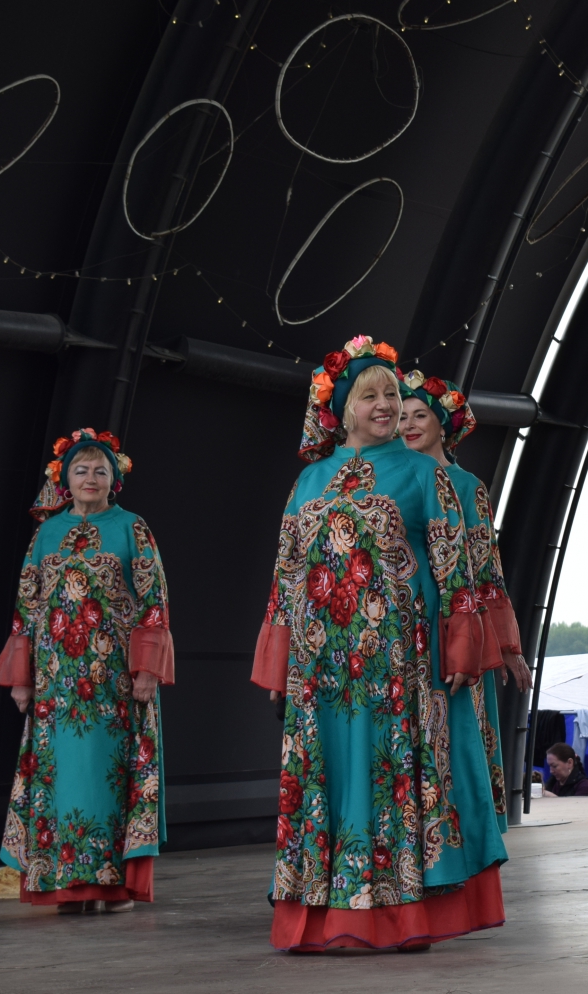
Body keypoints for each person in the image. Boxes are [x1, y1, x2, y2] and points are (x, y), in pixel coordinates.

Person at [250, 335, 506, 952]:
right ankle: (327, 915)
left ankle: (398, 916)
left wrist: (462, 648)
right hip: (321, 665)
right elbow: (286, 576)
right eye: (371, 396)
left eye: (391, 394)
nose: (386, 405)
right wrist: (281, 664)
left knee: (391, 773)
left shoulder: (426, 475)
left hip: (397, 664)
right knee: (330, 776)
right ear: (343, 408)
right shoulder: (309, 480)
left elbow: (454, 568)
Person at [0, 427, 174, 914]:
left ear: (114, 479)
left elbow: (154, 601)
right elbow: (26, 606)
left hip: (114, 682)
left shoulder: (132, 527)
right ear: (64, 479)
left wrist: (147, 670)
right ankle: (66, 885)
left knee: (104, 777)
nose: (90, 478)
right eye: (80, 470)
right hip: (56, 683)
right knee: (61, 777)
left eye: (100, 471)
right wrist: (22, 677)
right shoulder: (46, 533)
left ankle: (110, 886)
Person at [399, 367, 536, 831]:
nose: (409, 425)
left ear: (443, 424)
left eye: (420, 415)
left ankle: (465, 835)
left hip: (457, 630)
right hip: (407, 633)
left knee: (458, 734)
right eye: (401, 417)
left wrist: (507, 646)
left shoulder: (466, 486)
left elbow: (486, 568)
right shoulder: (391, 484)